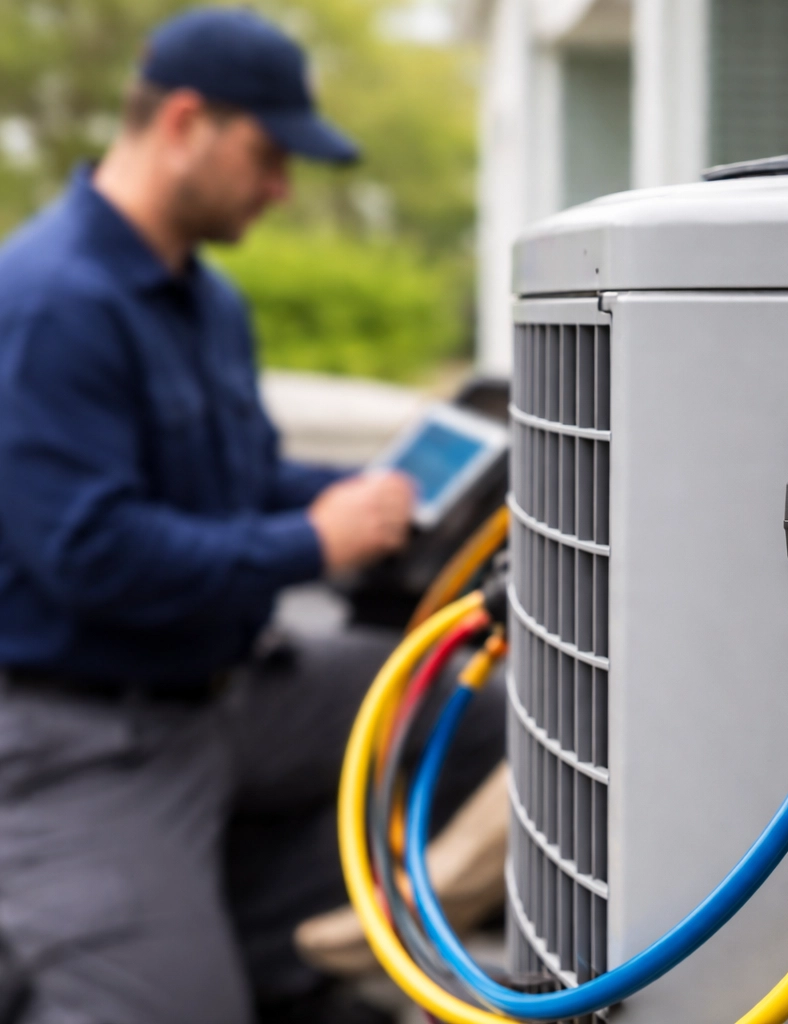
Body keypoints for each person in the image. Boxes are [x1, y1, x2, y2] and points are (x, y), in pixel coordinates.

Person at [0, 9, 501, 1024]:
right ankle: (148, 931)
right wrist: (316, 541)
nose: (281, 188)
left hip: (237, 687)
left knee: (484, 719)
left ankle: (263, 935)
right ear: (184, 121)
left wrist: (353, 494)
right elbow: (91, 554)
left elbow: (241, 480)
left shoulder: (207, 301)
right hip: (84, 726)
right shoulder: (50, 303)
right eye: (268, 155)